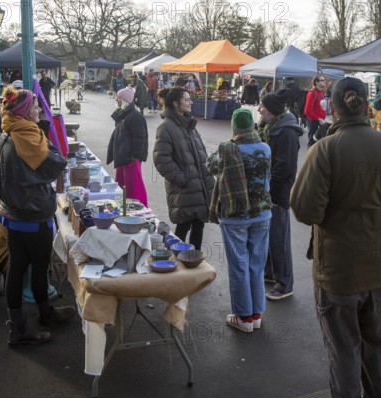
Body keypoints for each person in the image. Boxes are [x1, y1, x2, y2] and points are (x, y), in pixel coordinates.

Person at [290, 77, 381, 398]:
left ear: (332, 109)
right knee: (378, 349)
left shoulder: (324, 150)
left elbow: (306, 210)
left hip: (337, 273)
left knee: (344, 354)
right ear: (367, 107)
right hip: (378, 269)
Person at [0, 85, 76, 346]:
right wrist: (44, 129)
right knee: (38, 267)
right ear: (24, 111)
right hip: (31, 213)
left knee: (18, 268)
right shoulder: (27, 136)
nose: (40, 109)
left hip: (15, 212)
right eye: (35, 106)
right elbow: (57, 163)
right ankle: (43, 315)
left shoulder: (12, 131)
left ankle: (18, 326)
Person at [207, 108, 272, 333]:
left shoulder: (227, 150)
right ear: (253, 127)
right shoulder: (265, 148)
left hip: (235, 216)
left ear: (234, 128)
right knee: (256, 263)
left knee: (239, 266)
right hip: (262, 214)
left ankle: (243, 317)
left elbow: (210, 166)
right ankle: (256, 315)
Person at [154, 87, 215, 250]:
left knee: (199, 225)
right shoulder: (166, 127)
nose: (191, 102)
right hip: (184, 188)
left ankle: (195, 261)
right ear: (175, 103)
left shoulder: (190, 124)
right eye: (187, 100)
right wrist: (184, 179)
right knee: (183, 227)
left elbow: (200, 153)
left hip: (200, 186)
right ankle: (173, 261)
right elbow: (161, 160)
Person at [257, 89, 302, 300]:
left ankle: (285, 284)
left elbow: (284, 169)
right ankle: (270, 273)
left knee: (279, 239)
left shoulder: (286, 133)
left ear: (272, 110)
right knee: (269, 235)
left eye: (262, 106)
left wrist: (267, 188)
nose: (259, 109)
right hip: (269, 192)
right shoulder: (271, 128)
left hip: (277, 194)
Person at [106, 86, 149, 207]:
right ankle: (123, 208)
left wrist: (135, 157)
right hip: (123, 158)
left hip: (130, 159)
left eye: (118, 98)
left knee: (134, 188)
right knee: (122, 186)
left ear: (124, 99)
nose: (116, 100)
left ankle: (139, 209)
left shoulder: (135, 116)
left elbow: (140, 139)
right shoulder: (125, 114)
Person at [304, 75, 327, 146]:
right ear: (317, 82)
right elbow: (307, 111)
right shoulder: (312, 93)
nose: (324, 82)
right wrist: (318, 118)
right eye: (322, 80)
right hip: (314, 122)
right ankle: (310, 157)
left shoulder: (321, 92)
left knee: (319, 144)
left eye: (324, 80)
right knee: (312, 143)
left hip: (320, 122)